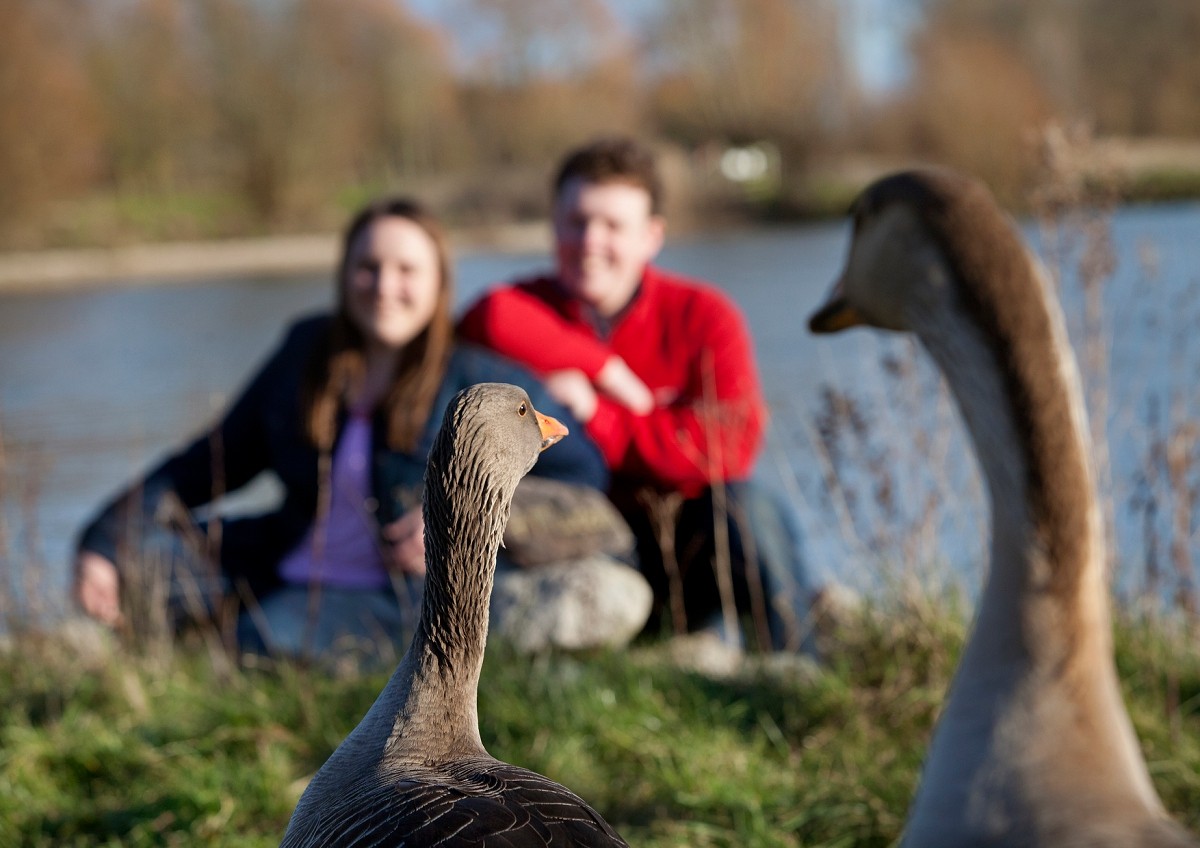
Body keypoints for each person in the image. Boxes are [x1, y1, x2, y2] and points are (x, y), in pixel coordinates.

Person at [74, 196, 615, 660]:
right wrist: (103, 541)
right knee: (138, 563)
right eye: (368, 266)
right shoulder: (304, 353)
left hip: (396, 593)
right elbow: (207, 465)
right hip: (281, 560)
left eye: (407, 270)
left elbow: (582, 474)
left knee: (256, 644)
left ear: (438, 282)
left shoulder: (479, 382)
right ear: (345, 274)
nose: (384, 286)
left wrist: (464, 522)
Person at [458, 136, 814, 652]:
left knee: (748, 506)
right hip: (578, 530)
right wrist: (605, 366)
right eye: (576, 222)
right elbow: (487, 315)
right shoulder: (522, 309)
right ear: (554, 225)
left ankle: (796, 662)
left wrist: (595, 413)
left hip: (685, 530)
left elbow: (727, 447)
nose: (590, 241)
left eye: (613, 226)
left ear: (652, 237)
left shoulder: (703, 316)